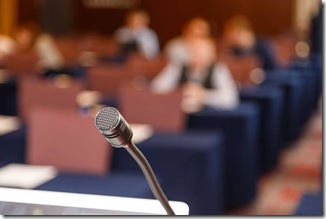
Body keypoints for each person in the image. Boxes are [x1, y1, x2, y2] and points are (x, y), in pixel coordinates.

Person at [150, 38, 239, 113]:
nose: (197, 55)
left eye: (202, 52)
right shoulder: (177, 66)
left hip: (208, 117)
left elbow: (230, 99)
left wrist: (203, 95)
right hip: (178, 115)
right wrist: (181, 92)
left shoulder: (219, 70)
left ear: (211, 55)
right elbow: (155, 89)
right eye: (194, 50)